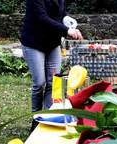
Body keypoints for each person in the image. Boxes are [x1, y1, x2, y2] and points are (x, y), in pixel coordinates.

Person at [20, 0, 83, 130]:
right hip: (33, 42)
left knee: (53, 82)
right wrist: (66, 31)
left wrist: (69, 23)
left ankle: (47, 118)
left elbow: (61, 13)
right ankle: (35, 119)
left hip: (52, 44)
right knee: (39, 83)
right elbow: (41, 18)